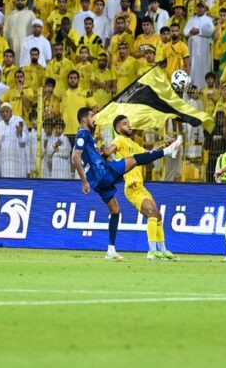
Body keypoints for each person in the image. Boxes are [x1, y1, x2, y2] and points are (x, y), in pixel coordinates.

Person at [72, 107, 182, 261]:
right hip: (104, 173)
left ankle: (111, 250)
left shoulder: (87, 137)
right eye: (91, 116)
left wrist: (163, 144)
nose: (94, 118)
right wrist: (83, 180)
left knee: (115, 211)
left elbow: (146, 154)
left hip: (99, 182)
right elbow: (76, 157)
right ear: (84, 119)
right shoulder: (83, 134)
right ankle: (170, 152)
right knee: (135, 160)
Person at [110, 115, 179, 260]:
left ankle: (163, 250)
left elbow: (149, 156)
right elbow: (113, 147)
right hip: (132, 187)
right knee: (151, 214)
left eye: (128, 123)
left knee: (158, 215)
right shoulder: (119, 140)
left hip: (141, 187)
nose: (129, 126)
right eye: (124, 124)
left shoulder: (133, 144)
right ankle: (152, 251)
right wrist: (106, 152)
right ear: (118, 128)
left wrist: (165, 145)